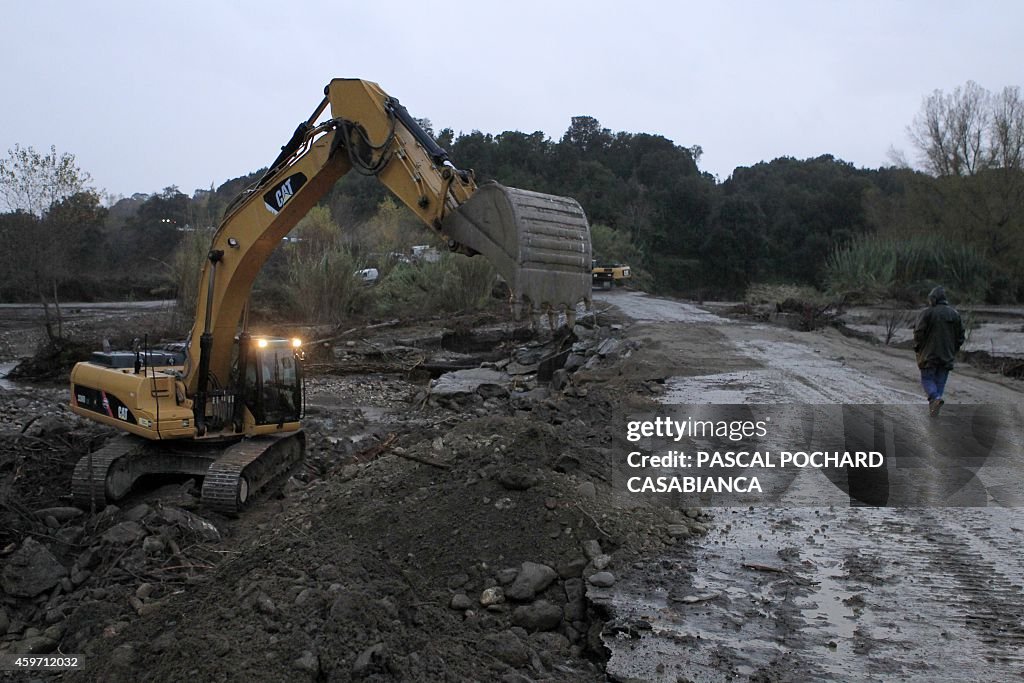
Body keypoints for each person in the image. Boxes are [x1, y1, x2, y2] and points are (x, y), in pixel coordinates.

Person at [913, 285, 965, 417]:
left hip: (929, 355)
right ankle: (935, 405)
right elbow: (961, 337)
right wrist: (953, 350)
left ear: (933, 299)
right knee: (940, 382)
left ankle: (935, 398)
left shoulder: (927, 313)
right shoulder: (955, 314)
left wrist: (918, 346)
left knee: (927, 379)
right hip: (947, 355)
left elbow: (919, 333)